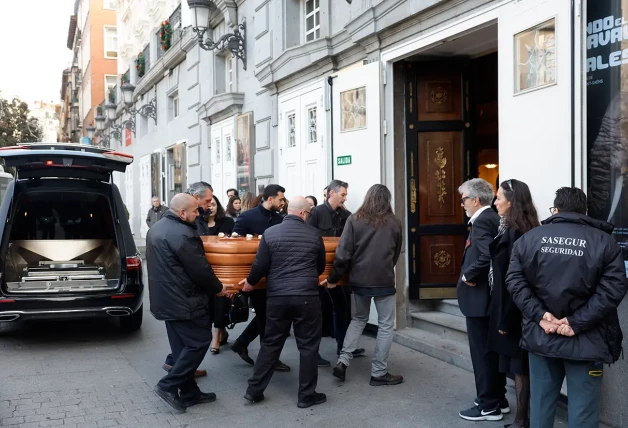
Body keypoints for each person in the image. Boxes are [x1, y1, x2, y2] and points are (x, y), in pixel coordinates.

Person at [507, 187, 628, 428]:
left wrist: (541, 317)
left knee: (540, 409)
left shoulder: (530, 239)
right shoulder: (604, 242)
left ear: (557, 210)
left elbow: (514, 282)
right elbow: (614, 288)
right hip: (587, 340)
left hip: (542, 337)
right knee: (584, 414)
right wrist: (576, 322)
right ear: (584, 211)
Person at [242, 196, 328, 408]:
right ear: (303, 213)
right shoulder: (315, 235)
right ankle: (306, 395)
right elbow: (320, 267)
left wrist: (250, 283)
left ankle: (254, 390)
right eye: (308, 213)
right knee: (308, 347)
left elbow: (260, 264)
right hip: (307, 297)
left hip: (278, 297)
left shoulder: (270, 233)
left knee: (271, 344)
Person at [147, 193, 228, 412]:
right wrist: (219, 288)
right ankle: (168, 386)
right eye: (194, 211)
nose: (197, 214)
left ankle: (190, 393)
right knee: (199, 342)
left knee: (181, 347)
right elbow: (200, 271)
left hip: (165, 299)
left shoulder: (157, 228)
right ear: (182, 213)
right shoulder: (183, 234)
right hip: (185, 300)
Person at [327, 184, 403, 386]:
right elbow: (395, 254)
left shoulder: (354, 219)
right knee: (386, 326)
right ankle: (379, 372)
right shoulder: (394, 223)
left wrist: (334, 278)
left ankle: (343, 361)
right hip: (384, 280)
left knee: (358, 319)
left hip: (359, 279)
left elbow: (343, 253)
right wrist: (385, 269)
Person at [487, 179, 539, 428]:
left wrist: (505, 319)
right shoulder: (518, 229)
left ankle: (522, 420)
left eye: (498, 197)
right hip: (517, 309)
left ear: (512, 201)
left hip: (515, 311)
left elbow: (514, 284)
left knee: (520, 368)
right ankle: (523, 418)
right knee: (519, 367)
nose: (495, 202)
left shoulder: (515, 233)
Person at [457, 178, 507, 422]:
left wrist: (468, 273)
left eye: (464, 199)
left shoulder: (484, 219)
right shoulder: (490, 218)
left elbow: (488, 254)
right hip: (485, 299)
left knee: (482, 354)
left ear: (475, 200)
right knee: (490, 351)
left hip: (480, 299)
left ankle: (488, 406)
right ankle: (498, 398)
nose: (462, 205)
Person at [230, 185, 290, 372]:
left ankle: (243, 344)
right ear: (270, 199)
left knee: (268, 317)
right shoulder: (247, 217)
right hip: (254, 275)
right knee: (267, 317)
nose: (283, 203)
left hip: (276, 275)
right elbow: (235, 244)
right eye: (280, 199)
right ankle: (268, 359)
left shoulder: (280, 219)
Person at [308, 180, 364, 366]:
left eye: (346, 195)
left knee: (343, 309)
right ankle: (312, 353)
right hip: (319, 270)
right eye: (343, 195)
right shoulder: (316, 213)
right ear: (331, 193)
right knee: (314, 312)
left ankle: (344, 348)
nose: (345, 198)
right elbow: (309, 238)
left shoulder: (348, 216)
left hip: (340, 271)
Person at [162, 181, 214, 378]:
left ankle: (183, 376)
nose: (209, 206)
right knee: (198, 339)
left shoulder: (168, 226)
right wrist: (217, 287)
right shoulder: (184, 230)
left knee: (183, 337)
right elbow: (196, 263)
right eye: (207, 201)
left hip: (174, 293)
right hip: (185, 293)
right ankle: (172, 380)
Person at [196, 195, 235, 355]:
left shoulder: (227, 222)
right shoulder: (198, 222)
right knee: (208, 303)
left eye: (214, 204)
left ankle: (217, 336)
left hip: (222, 268)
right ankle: (223, 331)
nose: (211, 207)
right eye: (208, 204)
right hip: (203, 267)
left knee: (220, 301)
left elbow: (234, 241)